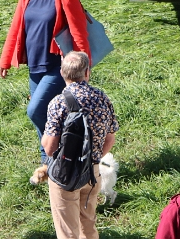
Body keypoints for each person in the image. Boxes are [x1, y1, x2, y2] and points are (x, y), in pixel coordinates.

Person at [0, 0, 91, 176]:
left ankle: (61, 153)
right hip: (35, 65)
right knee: (47, 114)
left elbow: (79, 32)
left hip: (58, 67)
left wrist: (83, 65)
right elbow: (16, 26)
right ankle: (51, 163)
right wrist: (5, 59)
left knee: (35, 111)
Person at [41, 51, 118, 239]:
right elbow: (110, 139)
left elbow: (50, 148)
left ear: (62, 73)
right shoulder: (102, 98)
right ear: (87, 72)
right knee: (88, 226)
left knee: (68, 232)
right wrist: (93, 159)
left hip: (65, 174)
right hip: (91, 173)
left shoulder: (58, 103)